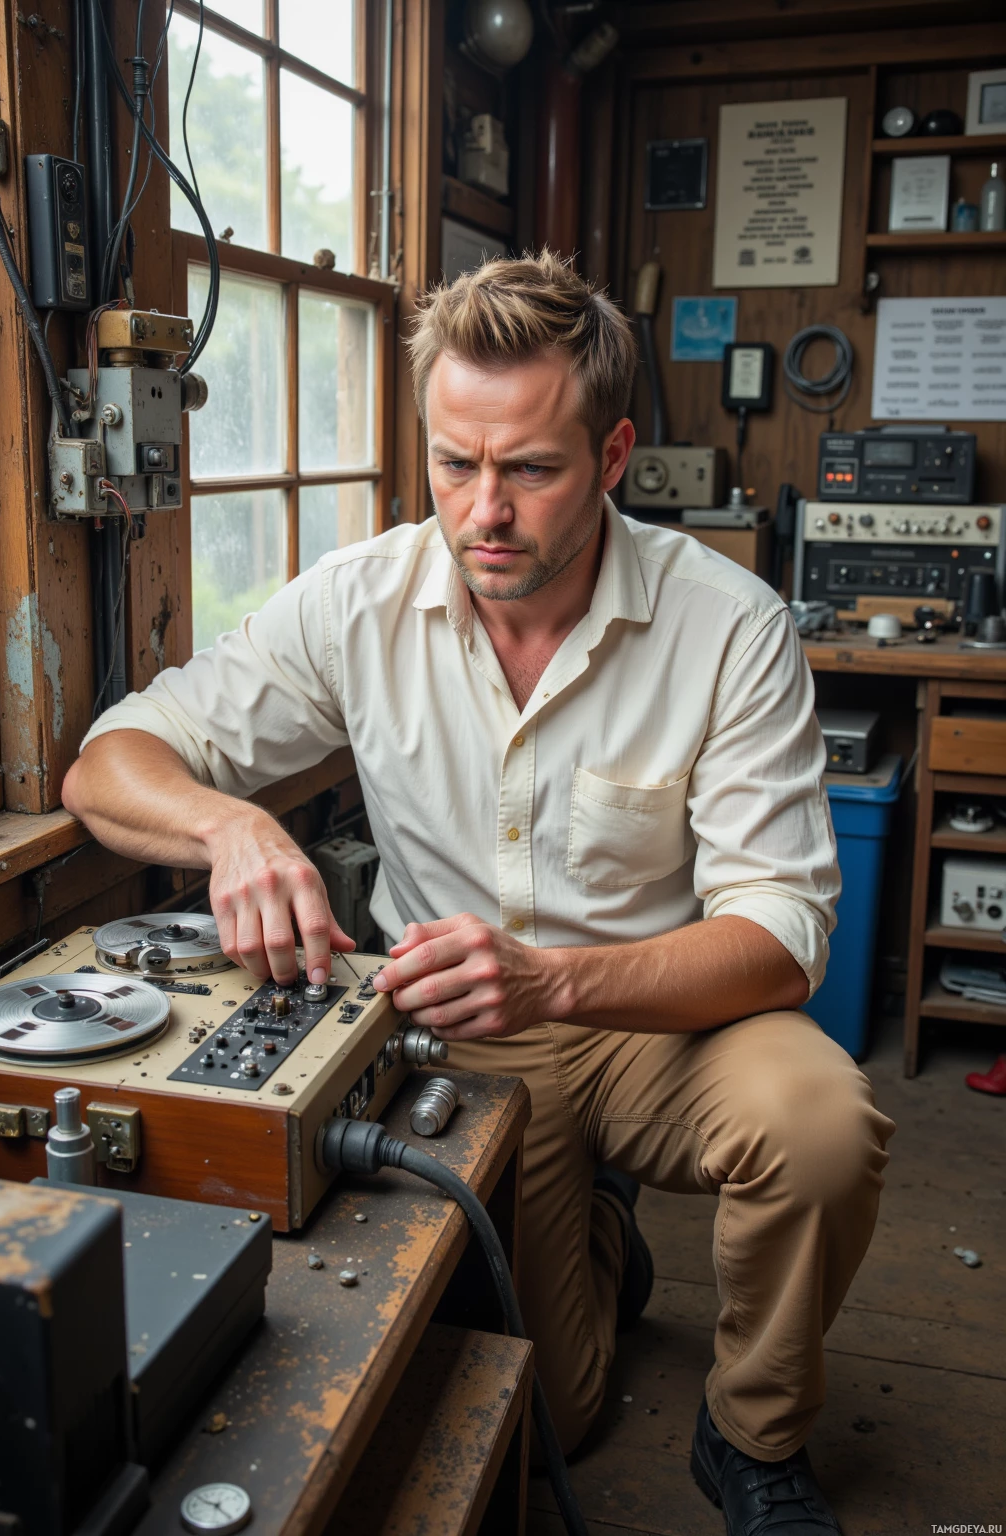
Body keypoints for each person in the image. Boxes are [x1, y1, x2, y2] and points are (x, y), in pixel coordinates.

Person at [64, 250, 894, 1534]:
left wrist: (563, 976)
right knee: (554, 1418)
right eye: (455, 464)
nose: (483, 512)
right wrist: (231, 826)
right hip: (460, 1032)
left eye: (531, 469)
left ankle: (752, 1440)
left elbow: (783, 941)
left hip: (662, 1018)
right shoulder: (359, 602)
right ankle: (599, 1241)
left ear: (612, 456)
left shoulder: (728, 624)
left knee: (822, 1126)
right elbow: (107, 766)